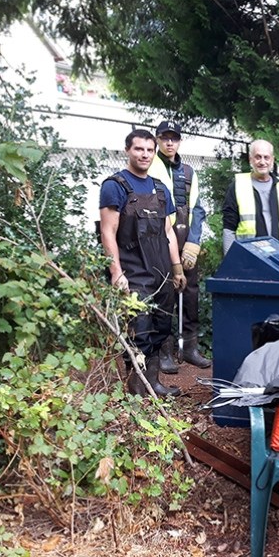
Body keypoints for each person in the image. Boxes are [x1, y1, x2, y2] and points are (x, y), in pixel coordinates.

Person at [99, 129, 186, 396]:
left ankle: (154, 383)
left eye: (149, 150)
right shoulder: (115, 186)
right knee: (139, 330)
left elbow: (168, 232)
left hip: (161, 272)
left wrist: (177, 268)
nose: (144, 154)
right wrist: (116, 273)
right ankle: (136, 388)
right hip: (133, 272)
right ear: (128, 150)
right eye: (139, 149)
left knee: (161, 327)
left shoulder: (160, 189)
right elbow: (107, 232)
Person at [147, 121, 212, 373]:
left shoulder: (188, 171)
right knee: (165, 294)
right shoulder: (149, 167)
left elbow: (197, 209)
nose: (169, 143)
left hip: (186, 241)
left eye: (174, 138)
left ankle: (190, 347)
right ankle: (163, 349)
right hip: (159, 241)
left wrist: (194, 243)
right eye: (165, 138)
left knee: (191, 293)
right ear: (158, 140)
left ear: (179, 141)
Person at [222, 139, 279, 254]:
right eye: (258, 157)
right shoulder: (238, 185)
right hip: (249, 259)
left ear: (272, 159)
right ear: (250, 159)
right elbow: (229, 229)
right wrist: (232, 261)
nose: (262, 162)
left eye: (266, 157)